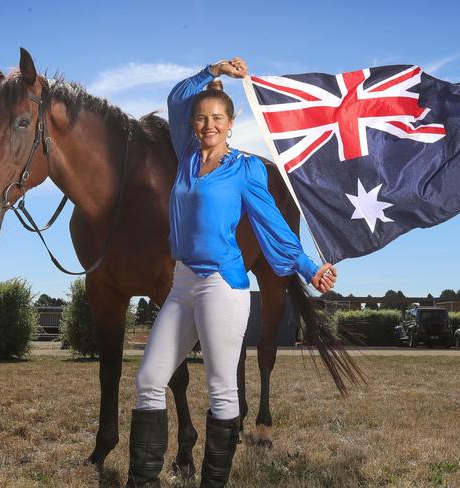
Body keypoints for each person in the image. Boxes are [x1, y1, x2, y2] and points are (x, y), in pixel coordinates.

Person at [125, 57, 337, 488]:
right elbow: (176, 97)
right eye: (201, 118)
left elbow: (273, 224)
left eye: (217, 118)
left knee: (223, 391)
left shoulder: (245, 169)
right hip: (182, 283)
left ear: (231, 122)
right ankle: (140, 482)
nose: (208, 125)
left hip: (222, 286)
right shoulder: (186, 156)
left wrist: (310, 268)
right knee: (149, 380)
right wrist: (212, 70)